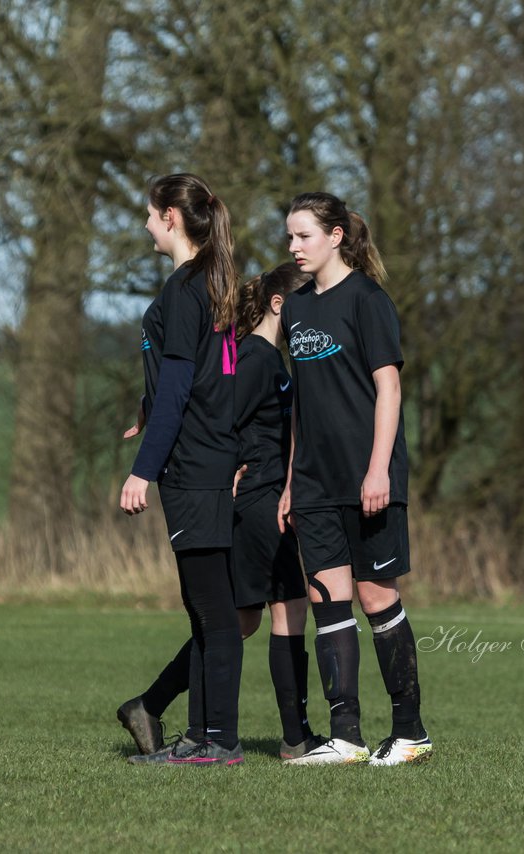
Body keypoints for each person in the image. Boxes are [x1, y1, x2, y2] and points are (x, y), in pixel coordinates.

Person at [117, 262, 322, 761]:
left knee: (245, 620)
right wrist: (231, 466)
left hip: (268, 499)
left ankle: (153, 705)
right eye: (308, 303)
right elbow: (214, 413)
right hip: (256, 503)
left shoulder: (270, 359)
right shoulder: (254, 357)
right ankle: (285, 737)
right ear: (280, 305)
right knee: (258, 616)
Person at [277, 192, 432, 766]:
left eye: (304, 236)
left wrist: (377, 469)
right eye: (290, 237)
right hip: (314, 481)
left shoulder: (368, 300)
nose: (293, 248)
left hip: (370, 477)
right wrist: (293, 479)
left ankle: (410, 732)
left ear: (336, 236)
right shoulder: (294, 309)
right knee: (329, 601)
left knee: (375, 596)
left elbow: (388, 388)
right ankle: (345, 738)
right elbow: (301, 405)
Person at [119, 173, 244, 767]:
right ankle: (198, 738)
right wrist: (147, 411)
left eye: (148, 214)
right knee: (204, 610)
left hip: (193, 467)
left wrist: (143, 470)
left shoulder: (183, 290)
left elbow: (177, 392)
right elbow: (201, 381)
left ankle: (218, 740)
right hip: (208, 458)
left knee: (215, 613)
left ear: (171, 217)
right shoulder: (208, 284)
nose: (144, 224)